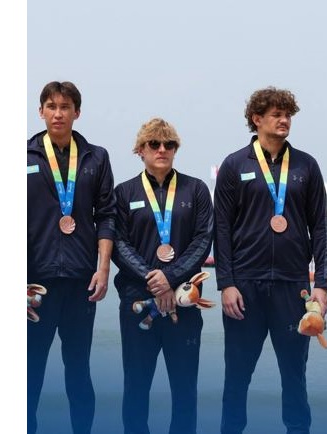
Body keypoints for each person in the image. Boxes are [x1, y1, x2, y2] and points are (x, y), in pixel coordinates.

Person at [214, 86, 327, 434]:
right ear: (257, 119)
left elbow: (320, 228)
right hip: (245, 287)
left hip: (293, 286)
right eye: (276, 114)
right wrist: (226, 283)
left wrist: (322, 284)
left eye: (288, 115)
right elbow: (221, 229)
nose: (284, 121)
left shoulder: (306, 165)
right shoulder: (235, 165)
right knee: (237, 376)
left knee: (294, 375)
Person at [111, 118, 214, 434]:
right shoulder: (124, 192)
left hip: (183, 301)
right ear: (140, 150)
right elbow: (118, 244)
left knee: (185, 388)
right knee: (136, 386)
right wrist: (153, 279)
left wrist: (170, 277)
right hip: (137, 301)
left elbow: (203, 239)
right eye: (154, 144)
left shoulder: (196, 189)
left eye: (169, 144)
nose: (162, 149)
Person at [27, 81, 116, 434]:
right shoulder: (23, 157)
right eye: (51, 106)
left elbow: (106, 215)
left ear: (77, 112)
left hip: (81, 281)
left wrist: (103, 268)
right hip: (34, 283)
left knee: (78, 370)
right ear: (41, 112)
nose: (58, 113)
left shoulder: (96, 157)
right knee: (29, 371)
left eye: (65, 107)